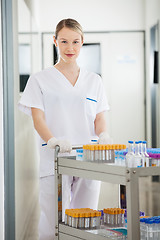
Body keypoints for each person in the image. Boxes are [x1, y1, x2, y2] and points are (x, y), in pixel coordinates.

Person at [18, 18, 111, 240]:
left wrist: (104, 135)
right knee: (53, 225)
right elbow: (37, 118)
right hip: (55, 157)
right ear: (55, 41)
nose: (70, 48)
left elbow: (99, 117)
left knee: (86, 221)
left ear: (82, 42)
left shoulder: (94, 81)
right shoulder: (40, 79)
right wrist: (53, 140)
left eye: (75, 42)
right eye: (64, 41)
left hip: (88, 157)